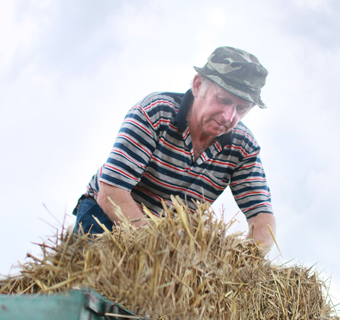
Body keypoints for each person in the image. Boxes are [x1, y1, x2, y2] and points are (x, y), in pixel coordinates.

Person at [72, 46, 276, 251]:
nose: (229, 116)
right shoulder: (155, 112)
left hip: (168, 237)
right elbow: (111, 191)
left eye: (241, 109)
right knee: (93, 280)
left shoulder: (244, 147)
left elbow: (260, 213)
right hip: (106, 216)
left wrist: (252, 261)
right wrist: (155, 247)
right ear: (198, 85)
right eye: (223, 100)